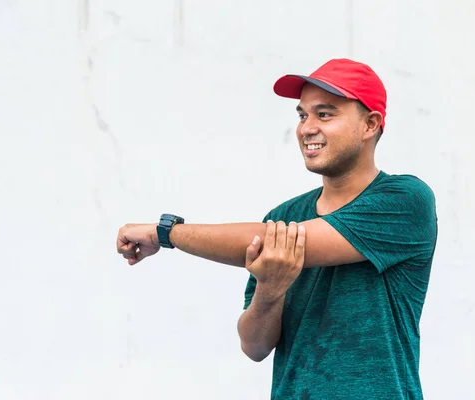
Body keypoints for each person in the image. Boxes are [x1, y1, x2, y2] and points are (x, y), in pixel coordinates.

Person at [116, 58, 438, 399]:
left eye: (325, 114)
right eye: (302, 115)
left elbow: (278, 242)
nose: (306, 128)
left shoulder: (405, 200)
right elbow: (254, 346)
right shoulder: (285, 215)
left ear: (370, 124)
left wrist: (165, 232)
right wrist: (270, 290)